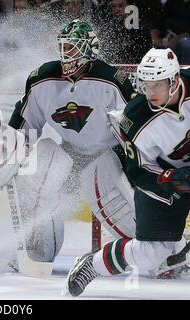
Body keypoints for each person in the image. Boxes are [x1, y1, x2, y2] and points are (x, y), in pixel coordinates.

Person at [0, 19, 135, 268]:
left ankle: (158, 254)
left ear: (88, 50)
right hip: (70, 153)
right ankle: (36, 254)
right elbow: (24, 124)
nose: (65, 54)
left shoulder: (112, 81)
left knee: (116, 210)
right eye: (62, 47)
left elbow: (135, 127)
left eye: (71, 48)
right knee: (38, 176)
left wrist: (133, 166)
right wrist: (9, 148)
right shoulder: (42, 79)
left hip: (107, 156)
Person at [65, 48, 190, 297]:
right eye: (146, 84)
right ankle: (93, 265)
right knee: (151, 253)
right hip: (162, 177)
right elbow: (138, 170)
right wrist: (169, 179)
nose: (150, 92)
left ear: (174, 80)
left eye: (157, 85)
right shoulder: (135, 116)